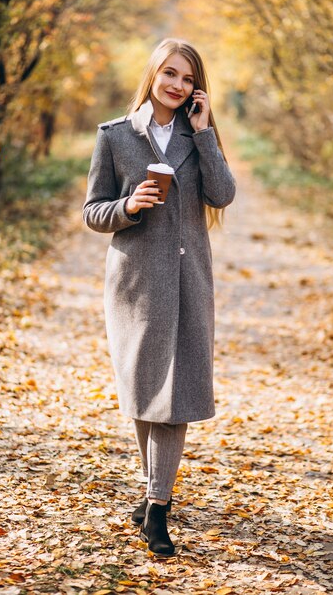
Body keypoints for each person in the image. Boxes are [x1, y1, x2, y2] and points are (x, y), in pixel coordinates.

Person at [83, 37, 236, 556]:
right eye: (169, 73)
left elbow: (223, 194)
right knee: (148, 393)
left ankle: (157, 507)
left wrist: (204, 133)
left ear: (196, 88)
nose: (177, 84)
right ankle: (153, 494)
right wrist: (128, 205)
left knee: (178, 399)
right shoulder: (115, 137)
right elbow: (92, 212)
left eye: (188, 78)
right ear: (152, 75)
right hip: (135, 283)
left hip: (190, 279)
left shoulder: (200, 137)